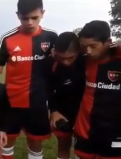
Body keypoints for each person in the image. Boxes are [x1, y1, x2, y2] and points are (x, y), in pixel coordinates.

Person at [0, 0, 58, 158]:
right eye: (24, 18)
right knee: (7, 141)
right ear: (17, 16)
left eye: (34, 17)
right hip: (12, 101)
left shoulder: (52, 36)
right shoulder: (7, 38)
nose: (30, 22)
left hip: (38, 101)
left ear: (43, 13)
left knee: (35, 142)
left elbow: (60, 63)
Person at [74, 20, 121, 159]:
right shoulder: (82, 60)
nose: (88, 51)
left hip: (115, 130)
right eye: (84, 46)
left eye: (93, 46)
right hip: (85, 127)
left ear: (108, 42)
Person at [49, 32, 85, 159]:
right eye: (61, 58)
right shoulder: (52, 63)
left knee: (82, 149)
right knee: (63, 146)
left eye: (70, 58)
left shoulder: (87, 61)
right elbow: (49, 89)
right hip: (62, 111)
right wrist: (54, 111)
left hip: (84, 113)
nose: (65, 62)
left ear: (79, 51)